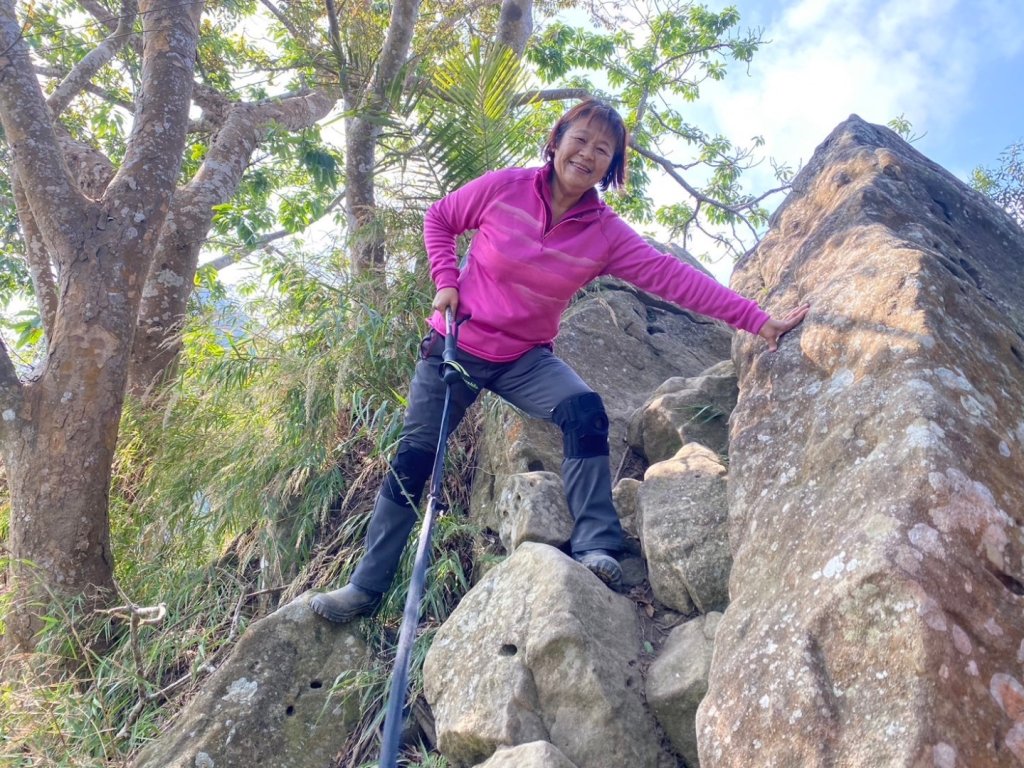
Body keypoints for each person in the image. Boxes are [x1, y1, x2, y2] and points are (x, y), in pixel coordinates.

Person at [311, 99, 809, 622]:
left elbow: (674, 278)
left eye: (603, 150)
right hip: (454, 347)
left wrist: (757, 320)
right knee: (415, 457)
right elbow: (440, 218)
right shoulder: (505, 187)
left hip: (523, 358)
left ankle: (595, 546)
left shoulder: (605, 234)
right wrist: (446, 279)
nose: (588, 154)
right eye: (580, 139)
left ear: (611, 166)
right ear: (556, 141)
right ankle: (365, 588)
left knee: (583, 410)